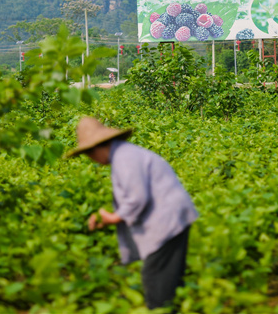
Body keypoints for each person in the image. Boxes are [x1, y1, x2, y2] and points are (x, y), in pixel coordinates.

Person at [66, 117, 198, 311]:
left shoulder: (124, 158)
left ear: (98, 147)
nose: (91, 159)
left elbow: (137, 197)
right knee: (168, 280)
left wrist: (114, 217)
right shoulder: (124, 154)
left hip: (167, 221)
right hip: (171, 218)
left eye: (88, 154)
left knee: (156, 281)